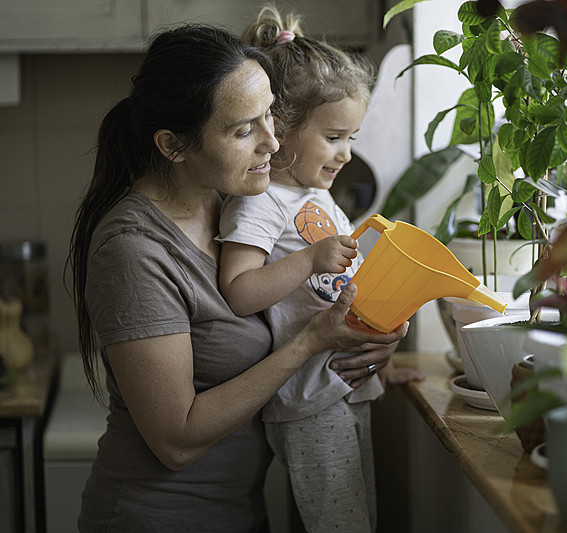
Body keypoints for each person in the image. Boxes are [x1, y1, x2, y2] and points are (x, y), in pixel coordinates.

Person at [67, 24, 407, 533]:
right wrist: (313, 343)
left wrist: (370, 341)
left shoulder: (232, 201)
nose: (274, 141)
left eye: (271, 113)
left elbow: (297, 305)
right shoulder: (134, 252)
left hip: (239, 512)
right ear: (173, 145)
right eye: (243, 129)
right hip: (158, 518)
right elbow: (176, 440)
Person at [216, 5, 423, 532]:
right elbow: (238, 291)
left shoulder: (318, 197)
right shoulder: (259, 203)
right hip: (306, 397)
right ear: (279, 128)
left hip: (344, 384)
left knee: (359, 518)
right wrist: (310, 258)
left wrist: (384, 346)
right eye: (334, 137)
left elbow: (336, 289)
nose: (346, 154)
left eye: (350, 137)